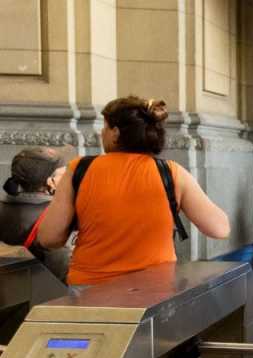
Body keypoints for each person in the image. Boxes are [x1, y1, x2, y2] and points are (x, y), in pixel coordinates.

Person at [38, 96, 231, 287]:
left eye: (104, 128)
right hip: (154, 289)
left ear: (115, 132)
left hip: (91, 289)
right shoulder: (171, 173)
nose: (102, 134)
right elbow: (219, 229)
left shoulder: (79, 169)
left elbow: (49, 238)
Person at [0, 147, 71, 281]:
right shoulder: (57, 216)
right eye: (64, 172)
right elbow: (62, 270)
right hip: (46, 294)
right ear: (51, 182)